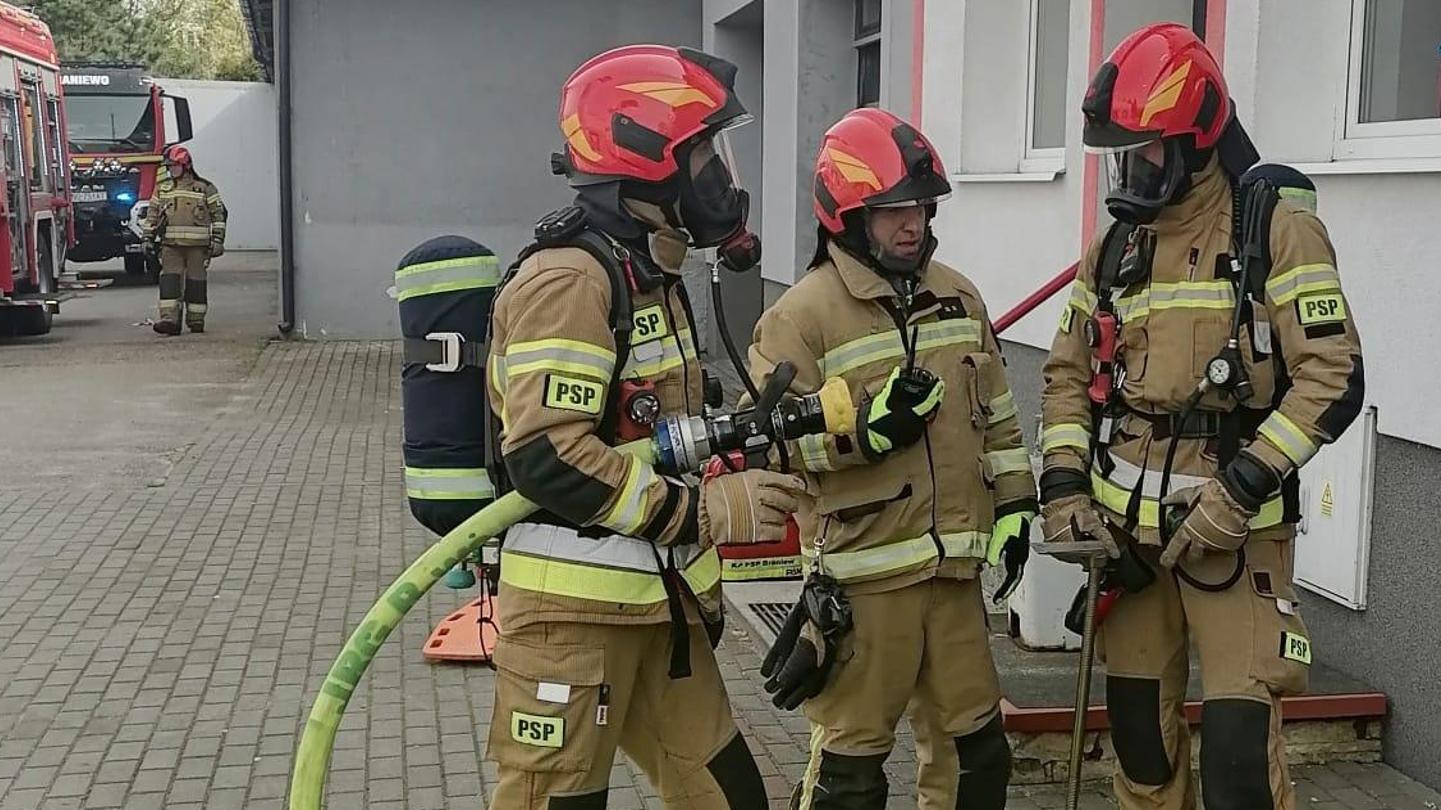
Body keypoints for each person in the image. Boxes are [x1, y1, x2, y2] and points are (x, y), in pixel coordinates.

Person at [1037, 23, 1367, 810]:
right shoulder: (1116, 247)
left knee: (1238, 762)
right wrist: (1063, 489)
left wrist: (1243, 487)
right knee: (1140, 743)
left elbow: (1335, 375)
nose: (1132, 169)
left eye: (1146, 151)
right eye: (1124, 153)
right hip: (1129, 543)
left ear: (1194, 140)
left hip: (1233, 535)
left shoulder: (1273, 230)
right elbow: (1066, 371)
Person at [483, 44, 799, 810]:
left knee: (732, 800)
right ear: (647, 160)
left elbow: (653, 428)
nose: (720, 177)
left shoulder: (646, 272)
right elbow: (548, 457)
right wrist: (704, 512)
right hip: (570, 623)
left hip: (659, 610)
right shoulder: (571, 280)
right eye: (704, 154)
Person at [747, 108, 1034, 809]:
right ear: (845, 217)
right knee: (852, 779)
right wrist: (864, 434)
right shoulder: (801, 316)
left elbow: (998, 416)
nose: (913, 224)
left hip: (956, 582)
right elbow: (772, 445)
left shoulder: (959, 296)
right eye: (891, 211)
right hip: (864, 588)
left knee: (979, 762)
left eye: (921, 208)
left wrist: (1019, 504)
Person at [142, 145, 226, 335]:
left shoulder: (205, 188)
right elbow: (152, 216)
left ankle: (196, 321)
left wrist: (218, 240)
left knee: (196, 283)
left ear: (185, 165)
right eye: (169, 166)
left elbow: (218, 215)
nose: (170, 170)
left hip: (198, 248)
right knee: (169, 283)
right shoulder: (163, 189)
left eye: (173, 166)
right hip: (171, 246)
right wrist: (147, 238)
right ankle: (169, 321)